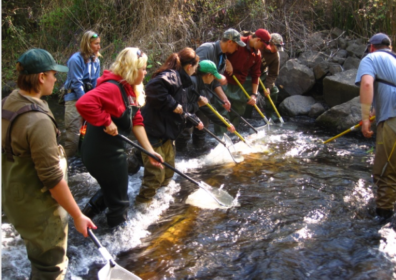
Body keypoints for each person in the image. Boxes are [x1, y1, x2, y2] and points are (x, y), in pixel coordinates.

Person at [1, 48, 96, 280]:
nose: (56, 78)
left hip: (15, 200)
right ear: (41, 77)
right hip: (38, 209)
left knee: (38, 259)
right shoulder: (38, 120)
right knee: (50, 269)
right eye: (53, 73)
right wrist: (77, 215)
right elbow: (52, 178)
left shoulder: (7, 102)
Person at [76, 47, 163, 228]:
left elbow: (136, 119)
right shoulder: (112, 88)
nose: (146, 72)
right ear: (133, 69)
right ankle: (119, 244)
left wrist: (149, 151)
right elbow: (83, 103)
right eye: (143, 68)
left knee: (111, 191)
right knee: (120, 203)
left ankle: (83, 221)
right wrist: (106, 121)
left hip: (108, 151)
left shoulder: (128, 89)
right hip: (103, 153)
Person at [136, 47, 204, 203]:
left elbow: (183, 109)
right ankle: (142, 205)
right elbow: (152, 88)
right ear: (189, 66)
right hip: (153, 130)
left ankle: (160, 200)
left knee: (168, 171)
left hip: (165, 133)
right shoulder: (172, 76)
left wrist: (194, 120)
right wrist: (172, 104)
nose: (195, 70)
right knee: (155, 175)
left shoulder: (183, 82)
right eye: (195, 66)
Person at [355, 33, 396, 222]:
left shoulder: (371, 58)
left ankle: (382, 224)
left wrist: (365, 118)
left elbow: (366, 84)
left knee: (384, 173)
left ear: (371, 47)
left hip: (392, 120)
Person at [187, 28, 244, 147]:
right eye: (236, 45)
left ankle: (198, 154)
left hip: (205, 96)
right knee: (186, 127)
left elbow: (214, 81)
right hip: (191, 94)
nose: (237, 48)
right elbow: (194, 70)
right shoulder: (207, 49)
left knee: (203, 127)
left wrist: (224, 99)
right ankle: (182, 155)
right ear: (229, 42)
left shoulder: (223, 58)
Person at [215, 28, 270, 135]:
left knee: (237, 112)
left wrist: (254, 95)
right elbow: (220, 49)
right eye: (262, 46)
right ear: (258, 40)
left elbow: (256, 75)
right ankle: (220, 137)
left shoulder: (257, 55)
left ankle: (232, 135)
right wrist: (227, 61)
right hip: (224, 82)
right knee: (223, 110)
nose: (262, 49)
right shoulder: (238, 41)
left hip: (240, 85)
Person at [177, 60, 236, 149]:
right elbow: (183, 108)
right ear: (208, 75)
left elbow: (208, 109)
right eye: (214, 76)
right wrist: (195, 119)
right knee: (183, 135)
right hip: (171, 120)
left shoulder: (198, 84)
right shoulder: (192, 84)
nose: (214, 79)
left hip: (179, 117)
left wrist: (226, 123)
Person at [62, 30, 101, 157]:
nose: (99, 47)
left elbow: (96, 83)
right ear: (87, 44)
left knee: (89, 136)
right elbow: (77, 84)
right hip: (74, 99)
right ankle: (62, 165)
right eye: (96, 44)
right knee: (73, 139)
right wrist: (86, 104)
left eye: (99, 43)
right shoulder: (75, 60)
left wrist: (95, 103)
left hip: (88, 100)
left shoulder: (96, 61)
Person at [244, 32, 285, 120]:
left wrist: (268, 87)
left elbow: (273, 73)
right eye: (275, 47)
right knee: (249, 94)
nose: (276, 50)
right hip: (247, 75)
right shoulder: (259, 46)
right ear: (270, 44)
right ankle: (246, 117)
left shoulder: (275, 56)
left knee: (274, 91)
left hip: (261, 75)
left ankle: (270, 114)